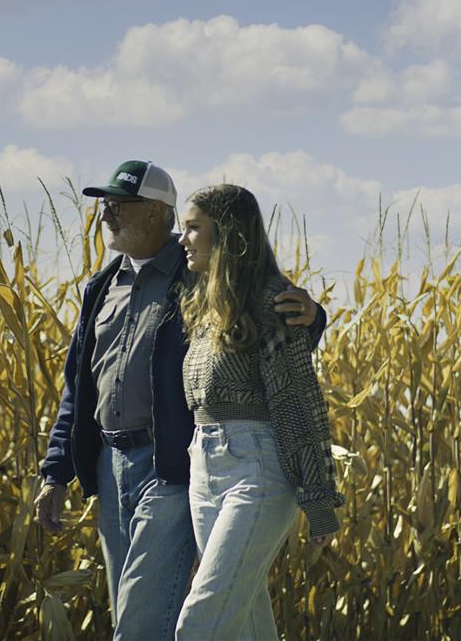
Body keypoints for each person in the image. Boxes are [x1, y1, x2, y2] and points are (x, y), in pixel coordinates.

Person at [35, 160, 326, 641]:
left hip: (171, 466)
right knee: (136, 609)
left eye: (117, 205)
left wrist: (313, 317)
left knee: (142, 624)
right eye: (104, 205)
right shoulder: (101, 288)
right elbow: (77, 387)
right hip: (110, 465)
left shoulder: (200, 272)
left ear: (154, 212)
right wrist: (56, 471)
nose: (105, 215)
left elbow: (268, 313)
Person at [175, 183, 343, 641]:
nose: (182, 239)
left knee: (200, 624)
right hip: (204, 469)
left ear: (227, 234)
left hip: (257, 471)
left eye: (193, 228)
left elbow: (296, 404)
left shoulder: (276, 304)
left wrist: (319, 498)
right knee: (246, 623)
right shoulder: (205, 302)